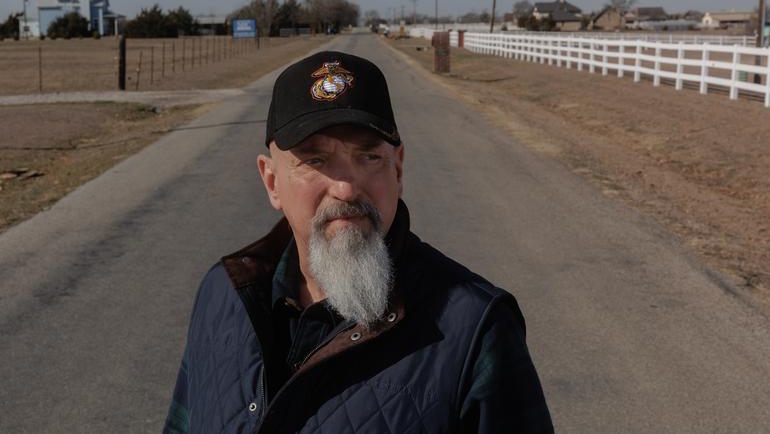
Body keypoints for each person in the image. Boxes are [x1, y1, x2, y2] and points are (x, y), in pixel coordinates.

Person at [164, 51, 553, 433]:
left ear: (398, 169)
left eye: (368, 156)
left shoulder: (475, 329)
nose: (347, 188)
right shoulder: (225, 295)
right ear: (271, 182)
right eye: (315, 161)